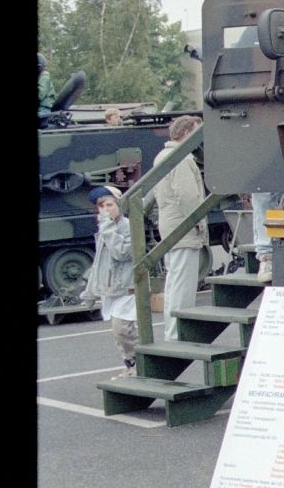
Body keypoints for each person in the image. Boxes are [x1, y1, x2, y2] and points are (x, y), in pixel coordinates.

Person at [151, 115, 207, 341]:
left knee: (174, 282)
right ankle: (180, 334)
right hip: (183, 226)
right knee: (183, 286)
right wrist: (198, 222)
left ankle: (172, 332)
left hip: (170, 223)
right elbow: (187, 195)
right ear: (187, 133)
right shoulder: (182, 158)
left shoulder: (163, 155)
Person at [80, 185, 138, 377]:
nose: (105, 210)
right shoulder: (106, 228)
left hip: (127, 286)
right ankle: (131, 364)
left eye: (109, 204)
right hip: (110, 288)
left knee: (123, 329)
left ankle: (140, 362)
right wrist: (90, 292)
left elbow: (121, 252)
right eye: (101, 206)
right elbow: (99, 263)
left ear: (119, 204)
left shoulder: (128, 226)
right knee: (118, 334)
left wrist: (106, 226)